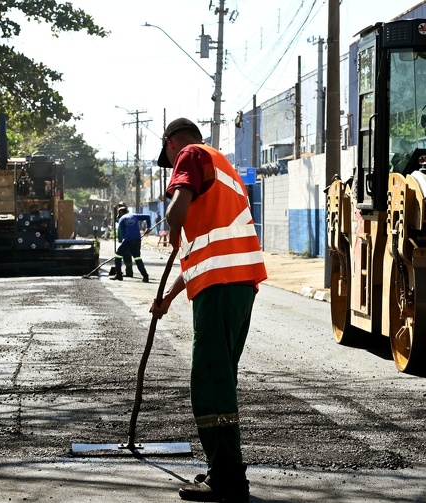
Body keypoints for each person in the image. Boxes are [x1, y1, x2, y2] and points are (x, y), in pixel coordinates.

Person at [150, 118, 267, 503]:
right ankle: (224, 469)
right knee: (221, 377)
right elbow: (203, 256)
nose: (173, 166)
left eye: (170, 161)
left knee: (209, 380)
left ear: (170, 144)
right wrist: (169, 297)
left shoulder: (190, 154)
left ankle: (228, 479)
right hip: (239, 285)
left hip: (219, 288)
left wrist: (173, 220)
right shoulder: (222, 166)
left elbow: (177, 212)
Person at [111, 205, 150, 282]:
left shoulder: (122, 219)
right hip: (137, 240)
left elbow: (123, 234)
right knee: (137, 258)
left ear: (121, 212)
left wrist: (124, 244)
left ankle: (119, 275)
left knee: (118, 256)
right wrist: (148, 227)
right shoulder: (134, 215)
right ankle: (145, 276)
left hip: (128, 240)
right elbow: (147, 216)